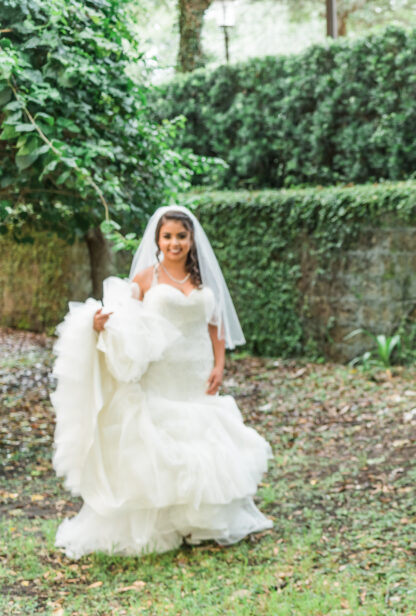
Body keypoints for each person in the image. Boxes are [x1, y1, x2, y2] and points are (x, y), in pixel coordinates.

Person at [51, 206, 273, 559]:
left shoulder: (202, 279)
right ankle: (160, 523)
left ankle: (200, 521)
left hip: (196, 369)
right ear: (157, 240)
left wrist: (219, 363)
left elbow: (215, 324)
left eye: (181, 236)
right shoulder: (144, 279)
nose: (175, 243)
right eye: (167, 236)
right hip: (160, 371)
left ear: (191, 240)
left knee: (202, 436)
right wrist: (98, 326)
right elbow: (125, 320)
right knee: (159, 439)